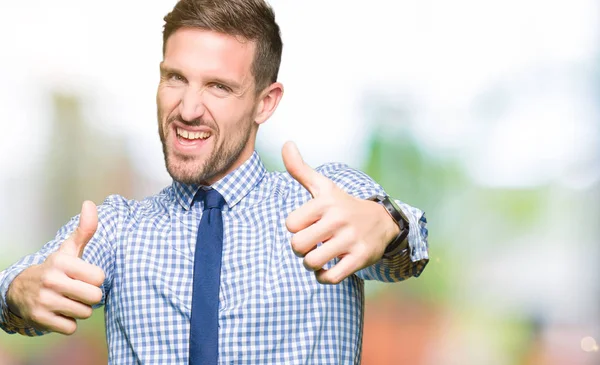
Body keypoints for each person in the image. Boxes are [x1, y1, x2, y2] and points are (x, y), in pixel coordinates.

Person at [0, 0, 429, 364]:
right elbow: (16, 288)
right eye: (176, 78)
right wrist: (20, 292)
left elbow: (407, 250)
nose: (188, 109)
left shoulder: (322, 202)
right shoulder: (117, 229)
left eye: (218, 87)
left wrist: (385, 224)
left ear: (265, 102)